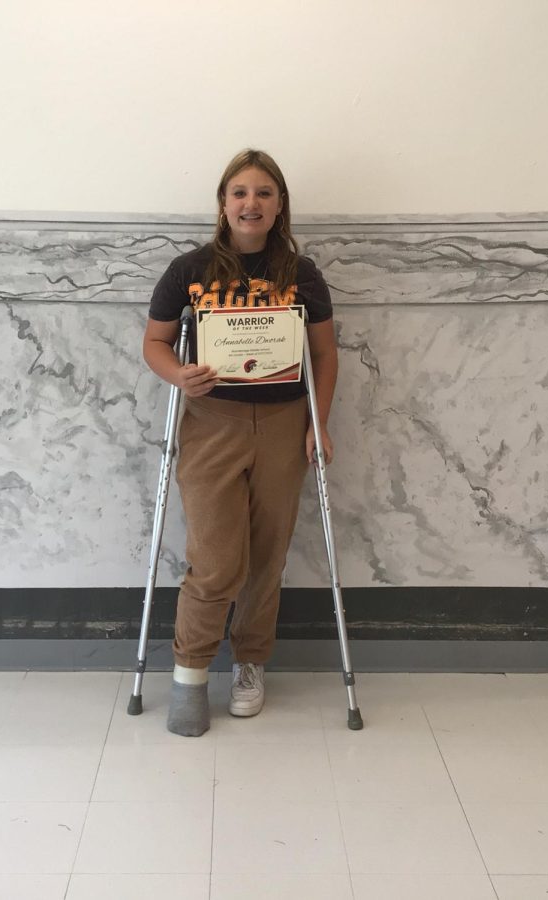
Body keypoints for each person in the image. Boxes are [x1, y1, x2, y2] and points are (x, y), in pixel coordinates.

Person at [142, 149, 338, 737]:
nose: (251, 203)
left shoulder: (302, 275)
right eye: (240, 193)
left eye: (264, 193)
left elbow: (325, 354)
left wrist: (317, 423)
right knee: (216, 559)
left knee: (266, 554)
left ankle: (250, 662)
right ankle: (191, 672)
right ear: (223, 204)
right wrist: (179, 374)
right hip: (212, 424)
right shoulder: (189, 270)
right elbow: (154, 342)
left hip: (282, 427)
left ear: (280, 206)